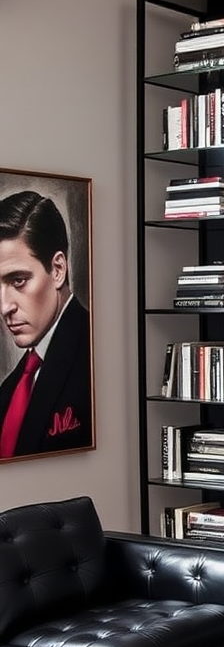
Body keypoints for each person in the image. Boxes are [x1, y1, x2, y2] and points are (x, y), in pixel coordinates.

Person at [0, 189, 92, 458]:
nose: (5, 306)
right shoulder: (10, 389)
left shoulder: (94, 354)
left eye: (18, 280)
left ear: (58, 270)